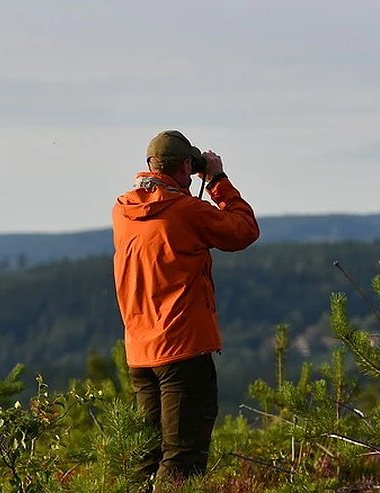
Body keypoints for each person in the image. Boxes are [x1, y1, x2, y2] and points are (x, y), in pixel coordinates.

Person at [111, 129, 260, 484]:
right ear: (184, 168)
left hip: (140, 355)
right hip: (182, 352)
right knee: (182, 461)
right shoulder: (187, 211)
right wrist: (217, 180)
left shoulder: (122, 211)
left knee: (146, 459)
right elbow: (244, 230)